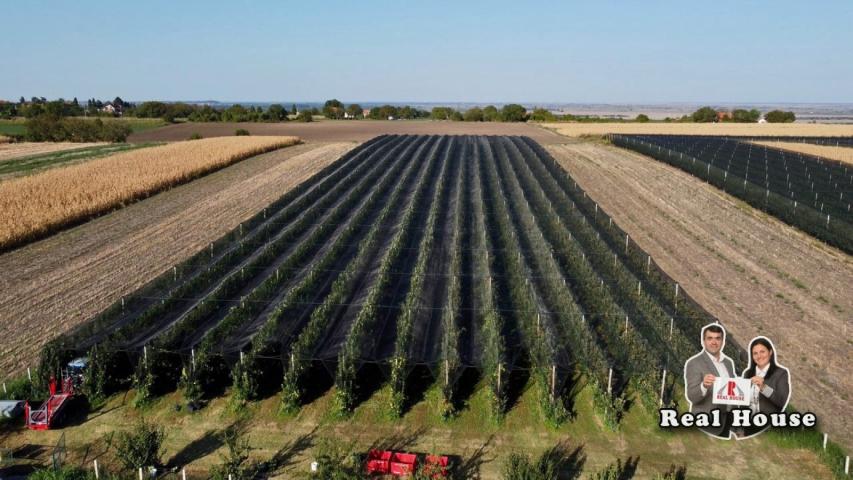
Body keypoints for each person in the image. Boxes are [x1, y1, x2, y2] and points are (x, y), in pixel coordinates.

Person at [684, 323, 736, 438]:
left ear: (722, 341)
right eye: (710, 338)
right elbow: (692, 396)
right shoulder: (695, 363)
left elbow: (732, 393)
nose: (714, 342)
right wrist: (703, 386)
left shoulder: (728, 363)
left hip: (725, 423)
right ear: (703, 341)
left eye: (718, 338)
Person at [739, 336, 791, 438]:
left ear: (770, 352)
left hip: (768, 429)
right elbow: (742, 403)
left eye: (762, 351)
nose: (759, 356)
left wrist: (763, 388)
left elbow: (782, 401)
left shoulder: (780, 373)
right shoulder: (747, 374)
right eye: (755, 353)